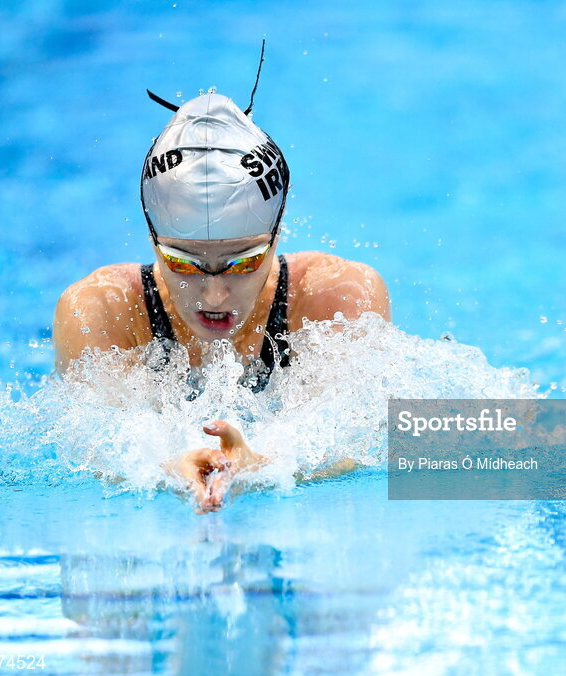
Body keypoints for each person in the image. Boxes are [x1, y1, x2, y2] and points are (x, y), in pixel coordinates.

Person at [52, 90, 390, 512]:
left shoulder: (334, 296)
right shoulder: (105, 309)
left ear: (277, 236)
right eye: (184, 263)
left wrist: (262, 464)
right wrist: (166, 466)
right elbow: (95, 448)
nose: (214, 294)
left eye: (244, 262)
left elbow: (357, 439)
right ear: (153, 242)